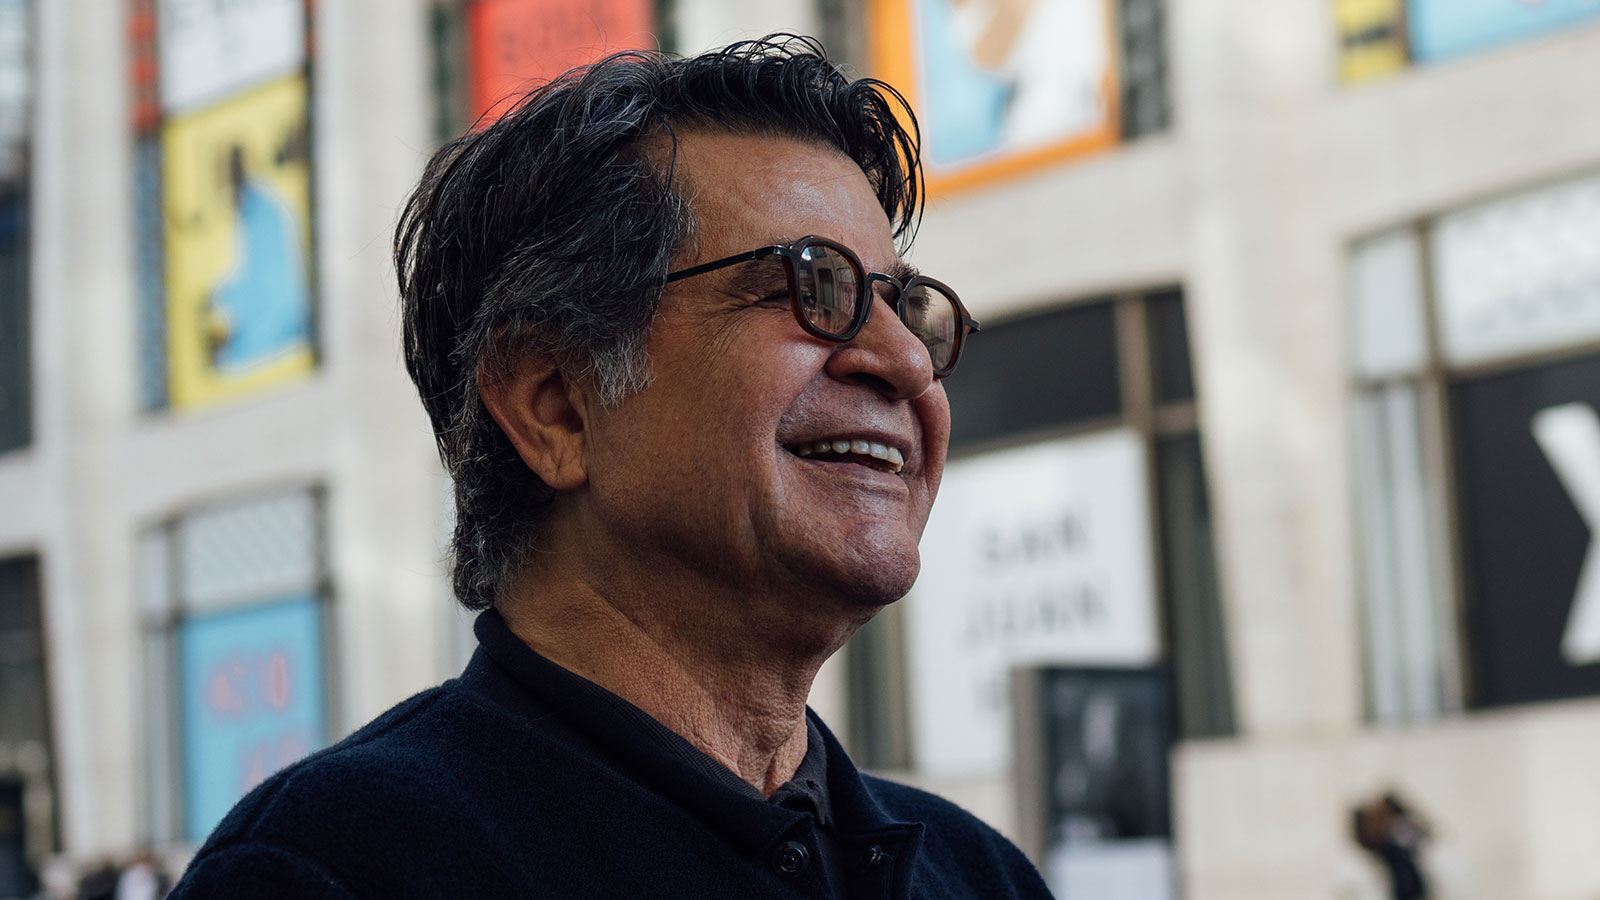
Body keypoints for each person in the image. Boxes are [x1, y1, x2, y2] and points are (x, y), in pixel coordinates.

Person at [169, 36, 1049, 899]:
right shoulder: (329, 867)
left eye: (907, 306)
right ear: (553, 405)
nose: (906, 362)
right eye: (812, 284)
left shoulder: (980, 872)